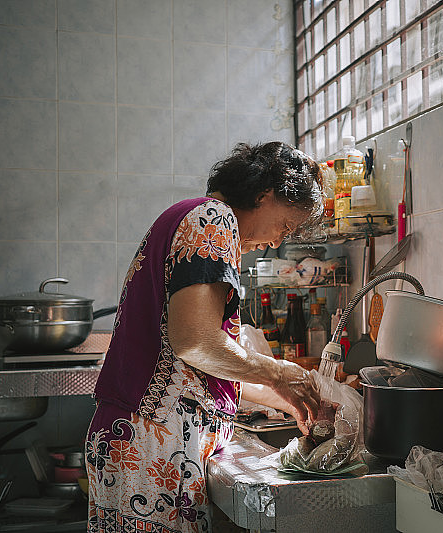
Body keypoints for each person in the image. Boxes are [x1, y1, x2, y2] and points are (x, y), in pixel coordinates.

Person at [85, 142, 324, 533]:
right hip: (152, 442)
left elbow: (198, 367)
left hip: (146, 439)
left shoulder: (191, 215)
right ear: (265, 195)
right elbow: (196, 343)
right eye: (285, 226)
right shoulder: (213, 220)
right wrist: (279, 372)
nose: (279, 241)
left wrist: (293, 397)